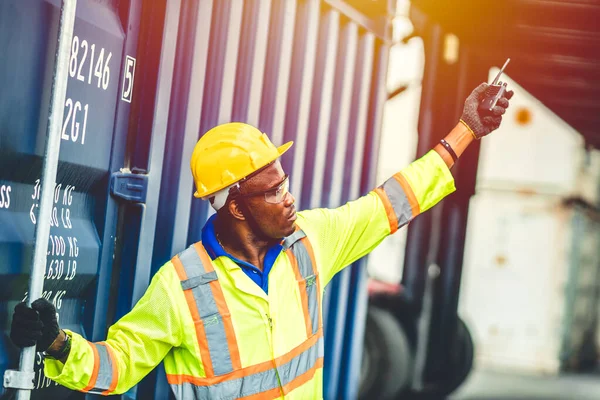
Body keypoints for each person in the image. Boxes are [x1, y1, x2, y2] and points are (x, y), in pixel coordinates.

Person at [10, 83, 513, 399]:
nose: (289, 197)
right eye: (272, 191)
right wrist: (56, 343)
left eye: (285, 182)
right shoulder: (181, 286)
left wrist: (465, 130)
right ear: (235, 205)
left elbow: (390, 204)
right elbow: (118, 366)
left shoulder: (313, 240)